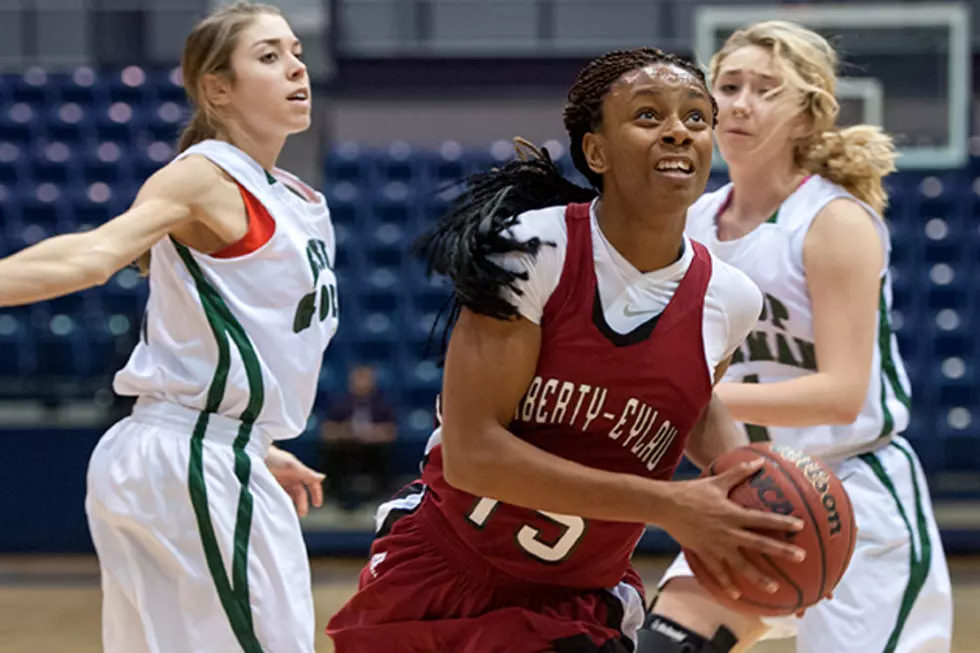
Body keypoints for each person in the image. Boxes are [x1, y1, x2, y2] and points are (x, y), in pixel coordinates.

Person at [326, 47, 808, 653]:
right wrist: (669, 504)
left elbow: (690, 401)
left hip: (578, 599)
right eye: (649, 116)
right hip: (447, 572)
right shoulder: (534, 252)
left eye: (694, 118)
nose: (677, 133)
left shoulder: (731, 299)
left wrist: (749, 491)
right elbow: (473, 455)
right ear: (596, 152)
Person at [0, 2, 337, 651]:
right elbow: (93, 256)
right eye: (268, 57)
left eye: (295, 51)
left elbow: (235, 332)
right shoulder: (206, 176)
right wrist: (220, 436)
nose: (296, 67)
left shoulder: (290, 196)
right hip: (190, 457)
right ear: (217, 88)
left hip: (208, 451)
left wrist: (254, 441)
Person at [654, 20, 954, 653]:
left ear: (805, 115)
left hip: (856, 492)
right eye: (728, 85)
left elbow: (842, 393)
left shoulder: (833, 220)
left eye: (766, 89)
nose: (739, 102)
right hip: (747, 490)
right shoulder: (691, 226)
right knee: (663, 640)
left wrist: (692, 399)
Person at [319, 364, 398, 508]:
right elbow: (328, 430)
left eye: (365, 380)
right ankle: (335, 495)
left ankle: (381, 495)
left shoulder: (381, 405)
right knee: (332, 452)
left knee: (383, 452)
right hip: (346, 445)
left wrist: (372, 433)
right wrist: (346, 432)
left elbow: (390, 432)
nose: (362, 384)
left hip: (372, 447)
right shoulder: (341, 404)